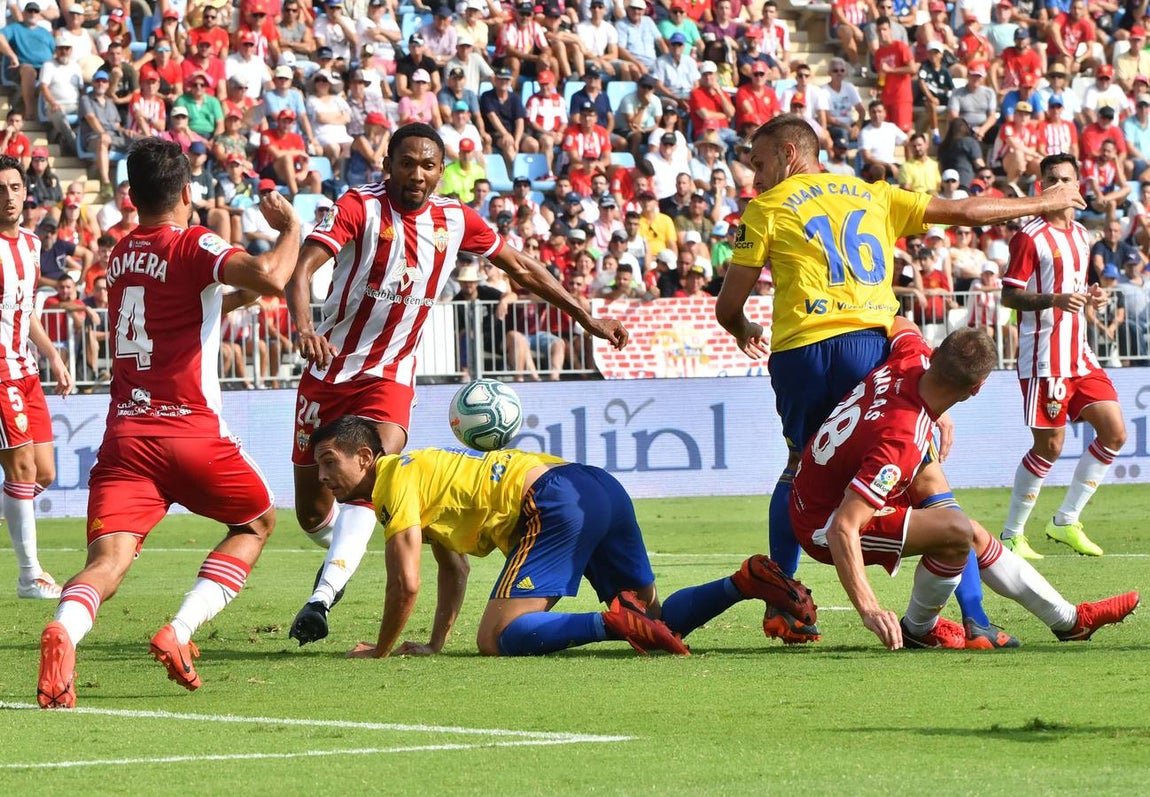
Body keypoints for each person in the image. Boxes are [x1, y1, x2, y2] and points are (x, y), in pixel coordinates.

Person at [715, 114, 1087, 645]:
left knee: (800, 463)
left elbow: (729, 305)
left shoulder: (767, 208)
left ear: (789, 155)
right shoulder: (875, 195)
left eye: (758, 163)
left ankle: (788, 605)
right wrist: (1042, 205)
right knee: (921, 469)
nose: (753, 178)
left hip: (800, 351)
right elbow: (965, 213)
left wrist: (743, 327)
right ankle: (976, 617)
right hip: (870, 344)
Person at [284, 123, 630, 646]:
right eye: (406, 163)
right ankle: (341, 556)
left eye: (427, 165)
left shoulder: (454, 219)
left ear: (440, 171)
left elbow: (520, 267)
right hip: (326, 369)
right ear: (387, 164)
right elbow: (302, 268)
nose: (417, 174)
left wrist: (584, 314)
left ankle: (322, 596)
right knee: (313, 513)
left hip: (390, 375)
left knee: (370, 470)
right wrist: (306, 327)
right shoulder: (358, 207)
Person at [36, 137, 302, 710]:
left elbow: (170, 312)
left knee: (106, 563)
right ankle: (179, 630)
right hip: (188, 432)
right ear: (187, 193)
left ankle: (65, 630)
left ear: (130, 195)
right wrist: (292, 229)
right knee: (256, 523)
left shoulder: (121, 252)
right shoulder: (192, 241)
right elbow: (273, 276)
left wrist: (225, 305)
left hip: (126, 436)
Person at [304, 416, 817, 658]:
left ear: (366, 458)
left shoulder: (394, 483)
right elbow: (452, 567)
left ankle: (610, 622)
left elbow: (406, 583)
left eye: (330, 463)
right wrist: (436, 643)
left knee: (496, 639)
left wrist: (382, 650)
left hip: (551, 502)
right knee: (657, 623)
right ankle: (743, 583)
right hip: (596, 485)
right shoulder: (425, 471)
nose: (324, 478)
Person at [789, 321, 1139, 650]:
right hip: (822, 522)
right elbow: (843, 528)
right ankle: (919, 630)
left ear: (936, 351)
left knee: (961, 524)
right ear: (977, 389)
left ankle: (1069, 621)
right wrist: (870, 609)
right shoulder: (901, 442)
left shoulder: (911, 357)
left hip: (820, 483)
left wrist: (932, 412)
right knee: (958, 531)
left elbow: (900, 323)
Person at [999, 153, 1127, 561]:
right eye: (1052, 179)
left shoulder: (1080, 236)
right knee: (1049, 447)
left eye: (1066, 179)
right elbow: (1009, 294)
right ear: (1041, 187)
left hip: (1080, 354)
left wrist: (1094, 296)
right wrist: (1055, 299)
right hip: (1044, 358)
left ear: (1077, 187)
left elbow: (1076, 286)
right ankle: (1012, 534)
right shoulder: (1029, 237)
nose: (1059, 186)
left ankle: (1066, 520)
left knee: (1114, 432)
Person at [0, 155, 72, 600]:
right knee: (22, 468)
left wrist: (55, 359)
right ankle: (30, 575)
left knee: (41, 472)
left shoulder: (29, 244)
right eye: (0, 188)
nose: (7, 195)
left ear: (26, 193)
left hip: (27, 369)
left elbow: (26, 315)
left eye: (13, 187)